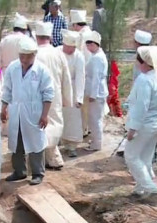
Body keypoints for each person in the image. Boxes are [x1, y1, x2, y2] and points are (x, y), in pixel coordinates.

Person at [1, 37, 54, 186]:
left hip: (34, 112)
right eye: (21, 56)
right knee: (16, 142)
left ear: (34, 55)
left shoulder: (42, 70)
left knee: (36, 142)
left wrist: (45, 114)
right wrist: (4, 107)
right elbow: (7, 89)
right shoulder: (13, 67)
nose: (24, 59)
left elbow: (48, 93)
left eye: (27, 56)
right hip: (16, 110)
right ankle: (19, 171)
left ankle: (38, 173)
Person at [125, 45, 157, 198]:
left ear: (145, 63)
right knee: (145, 156)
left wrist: (133, 129)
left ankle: (149, 186)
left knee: (131, 156)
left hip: (144, 124)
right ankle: (141, 188)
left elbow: (141, 106)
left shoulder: (145, 80)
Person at [34, 21, 73, 170]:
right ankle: (54, 158)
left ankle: (44, 158)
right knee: (54, 124)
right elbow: (66, 77)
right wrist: (67, 98)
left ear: (37, 37)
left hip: (38, 95)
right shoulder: (58, 53)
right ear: (50, 37)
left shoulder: (35, 53)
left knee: (41, 125)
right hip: (55, 94)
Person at [116, 29, 152, 157]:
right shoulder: (145, 55)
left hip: (141, 94)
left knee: (138, 123)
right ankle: (131, 149)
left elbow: (140, 79)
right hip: (138, 93)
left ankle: (139, 153)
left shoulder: (143, 57)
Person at [60, 29, 85, 158]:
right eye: (69, 46)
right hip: (59, 88)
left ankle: (72, 146)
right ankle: (57, 142)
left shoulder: (79, 56)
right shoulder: (57, 52)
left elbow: (81, 77)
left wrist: (79, 97)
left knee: (72, 119)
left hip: (73, 90)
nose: (71, 50)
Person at [84, 31, 108, 152]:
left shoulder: (97, 58)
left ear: (94, 44)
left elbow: (96, 78)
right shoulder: (96, 56)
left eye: (89, 45)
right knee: (95, 118)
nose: (87, 48)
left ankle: (96, 143)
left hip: (97, 93)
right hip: (97, 91)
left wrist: (93, 94)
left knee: (95, 119)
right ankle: (95, 140)